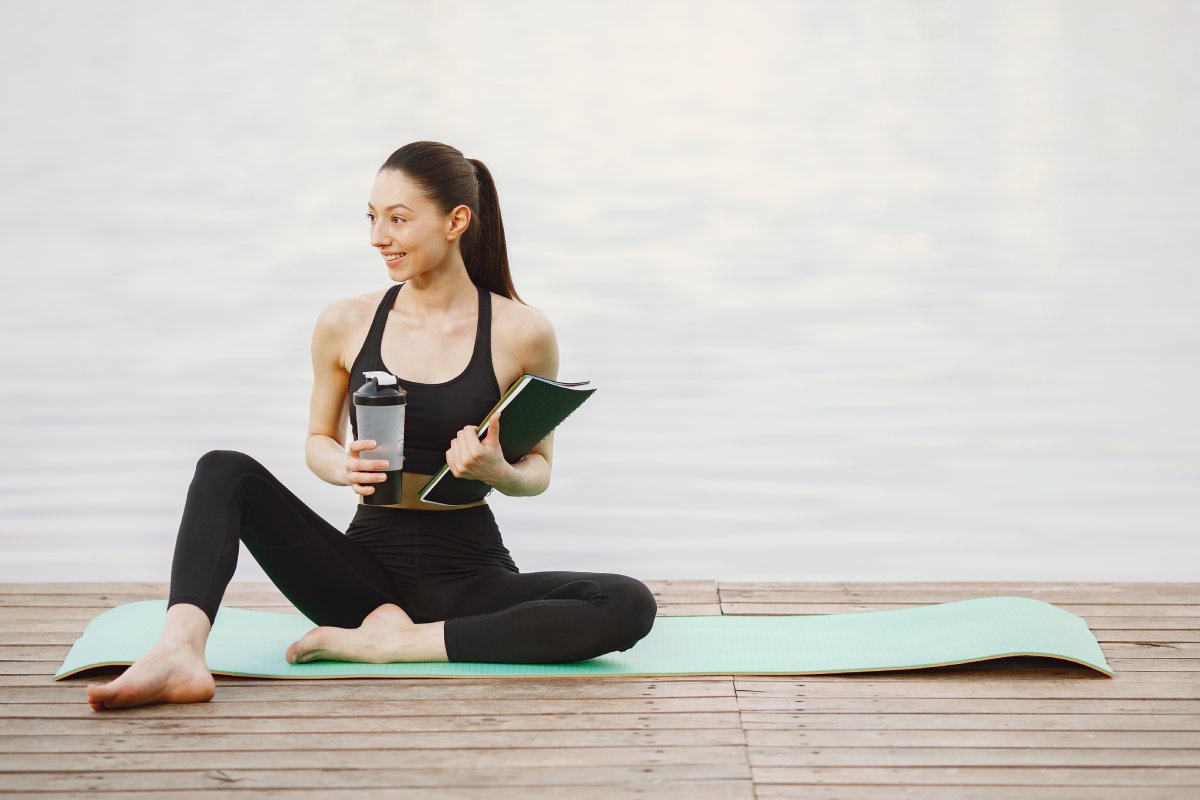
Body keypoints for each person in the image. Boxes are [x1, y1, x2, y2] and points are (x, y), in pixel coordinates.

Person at [86, 141, 658, 711]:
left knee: (627, 602)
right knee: (223, 471)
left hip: (470, 573)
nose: (377, 236)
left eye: (398, 219)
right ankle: (179, 653)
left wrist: (498, 470)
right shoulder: (346, 321)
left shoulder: (522, 332)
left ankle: (406, 644)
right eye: (372, 217)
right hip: (360, 577)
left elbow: (538, 472)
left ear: (456, 221)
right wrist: (340, 465)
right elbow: (317, 441)